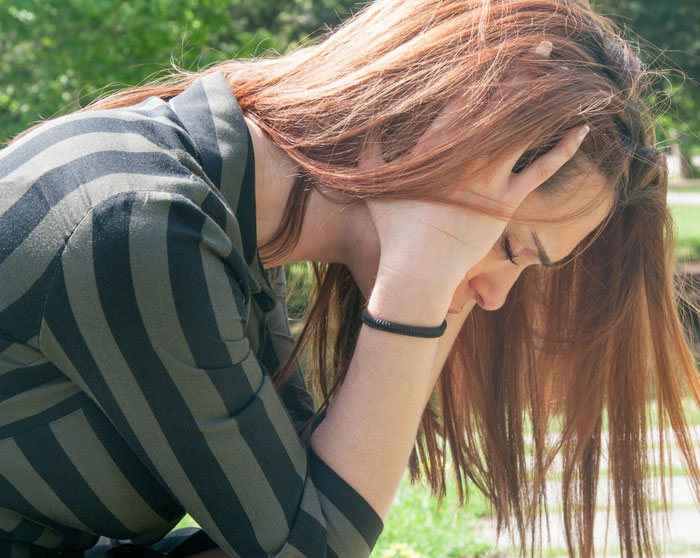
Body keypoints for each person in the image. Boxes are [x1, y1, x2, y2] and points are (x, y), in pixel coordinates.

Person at [0, 0, 696, 557]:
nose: (492, 296)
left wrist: (436, 255)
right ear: (446, 136)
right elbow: (314, 545)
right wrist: (418, 286)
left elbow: (300, 505)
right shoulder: (139, 223)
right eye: (511, 248)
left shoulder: (230, 225)